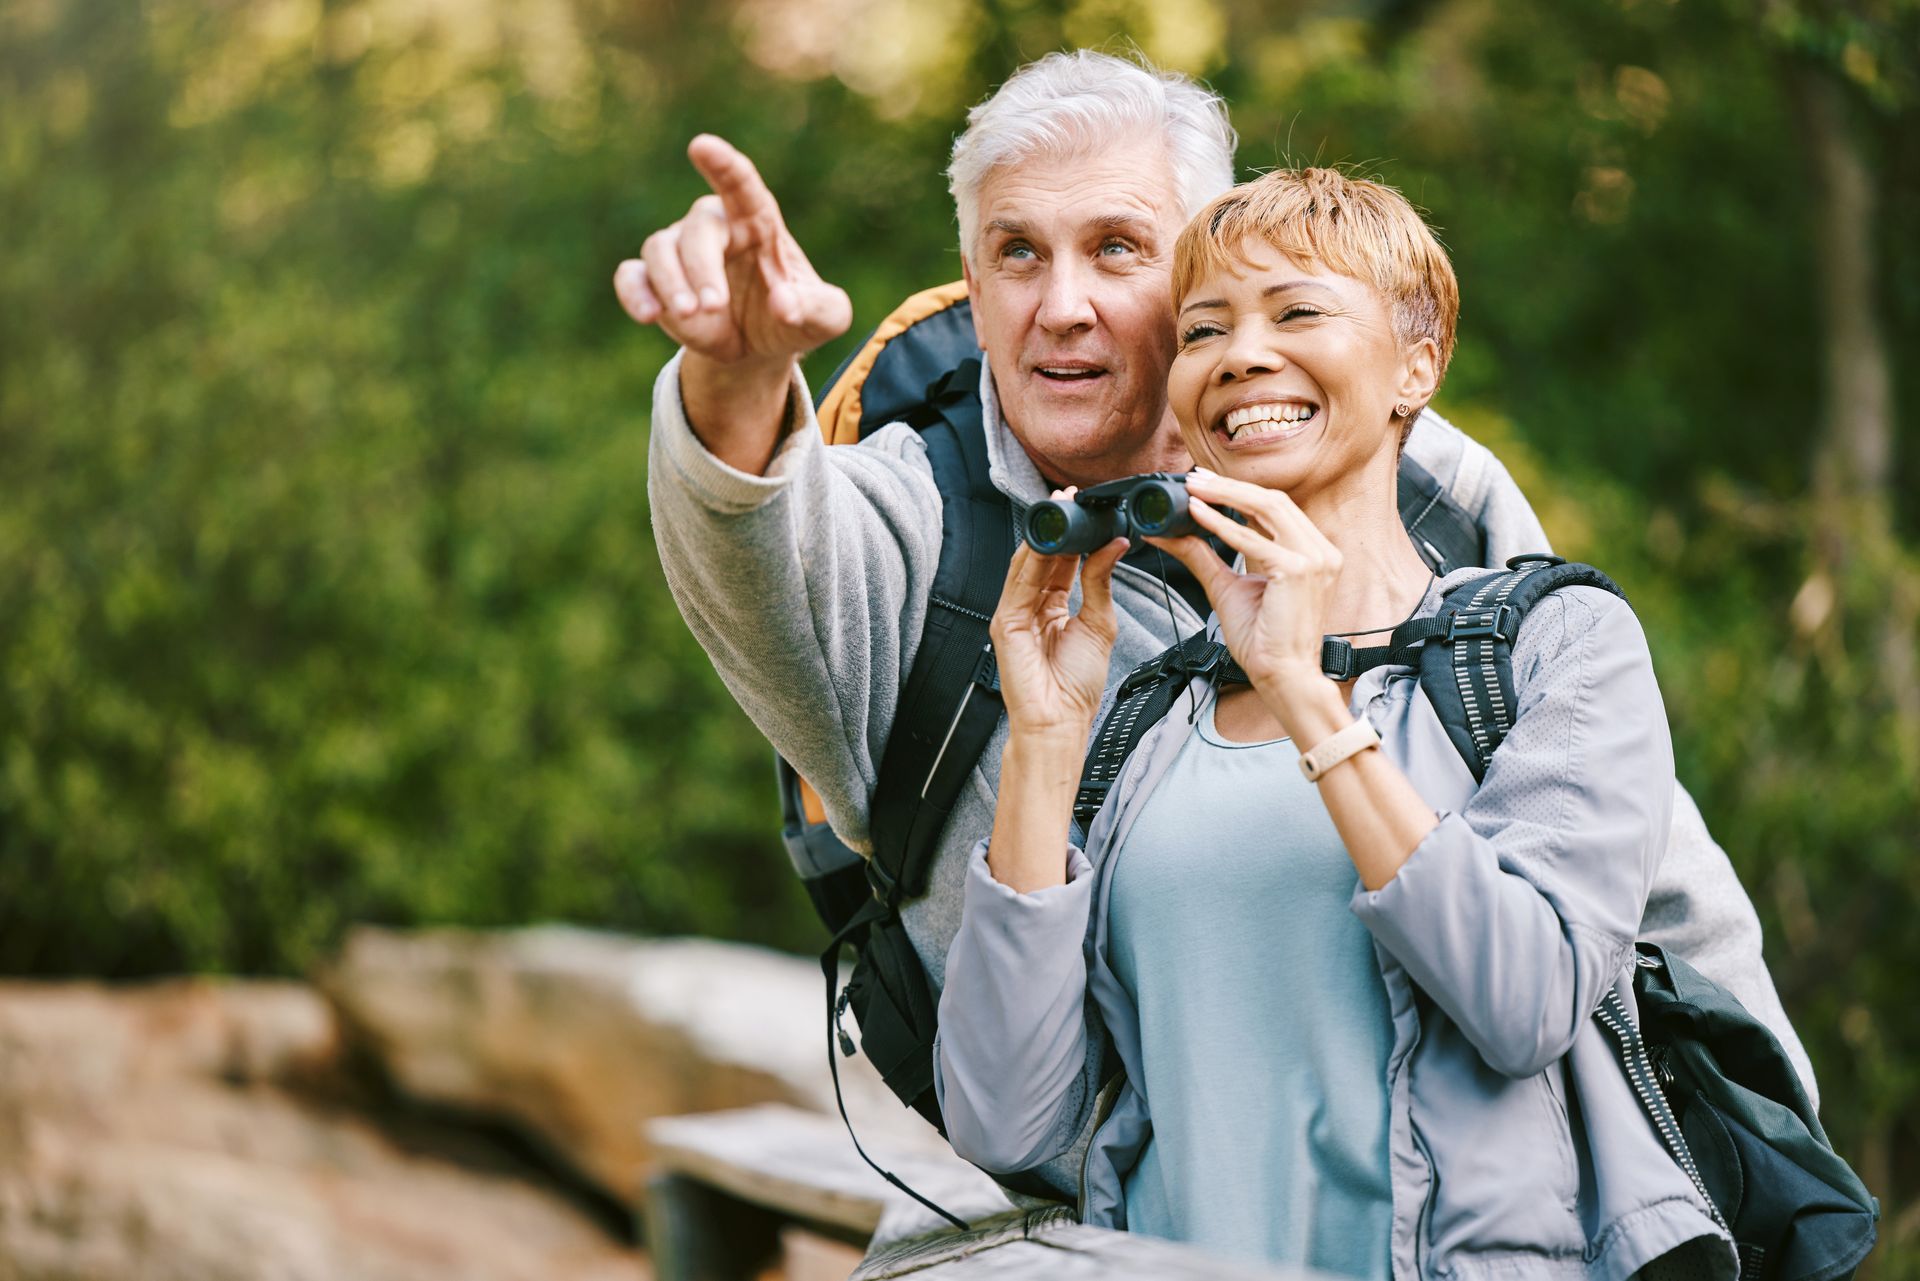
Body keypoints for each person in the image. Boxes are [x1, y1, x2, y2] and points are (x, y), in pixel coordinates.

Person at [613, 50, 1813, 1189]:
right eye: (1017, 254)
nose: (1063, 305)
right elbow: (754, 541)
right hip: (1122, 1227)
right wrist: (733, 373)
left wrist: (1766, 1147)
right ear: (972, 288)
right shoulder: (911, 536)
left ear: (1199, 262)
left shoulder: (1422, 484)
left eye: (1119, 248)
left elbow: (1630, 851)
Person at [936, 166, 1733, 1279]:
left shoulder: (1556, 646)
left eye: (1299, 311)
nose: (1242, 354)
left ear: (1419, 365)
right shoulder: (1153, 719)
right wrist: (1047, 735)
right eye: (1204, 329)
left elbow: (1527, 1000)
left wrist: (1307, 692)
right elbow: (1003, 1121)